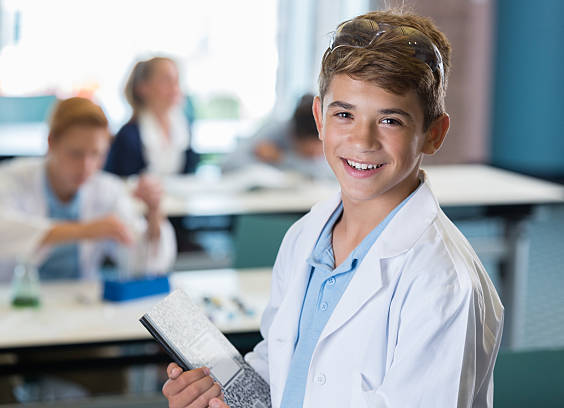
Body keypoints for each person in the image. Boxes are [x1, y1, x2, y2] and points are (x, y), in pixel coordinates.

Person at [162, 9, 504, 408]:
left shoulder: (441, 283)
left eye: (390, 120)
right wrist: (216, 396)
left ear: (434, 133)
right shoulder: (305, 236)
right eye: (344, 114)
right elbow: (280, 364)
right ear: (319, 119)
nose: (362, 140)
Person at [0, 96, 176, 283]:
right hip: (1, 297)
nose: (87, 166)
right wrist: (85, 230)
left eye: (96, 154)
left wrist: (154, 214)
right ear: (51, 143)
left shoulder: (107, 190)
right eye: (76, 153)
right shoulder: (10, 178)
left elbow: (142, 266)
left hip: (76, 300)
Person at [104, 57, 195, 177]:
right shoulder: (128, 135)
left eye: (176, 80)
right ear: (143, 87)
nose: (175, 87)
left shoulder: (184, 127)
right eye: (166, 80)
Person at [222, 93, 333, 180]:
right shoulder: (276, 129)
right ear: (295, 137)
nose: (316, 154)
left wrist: (280, 158)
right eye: (310, 151)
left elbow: (325, 172)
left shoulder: (330, 138)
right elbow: (228, 163)